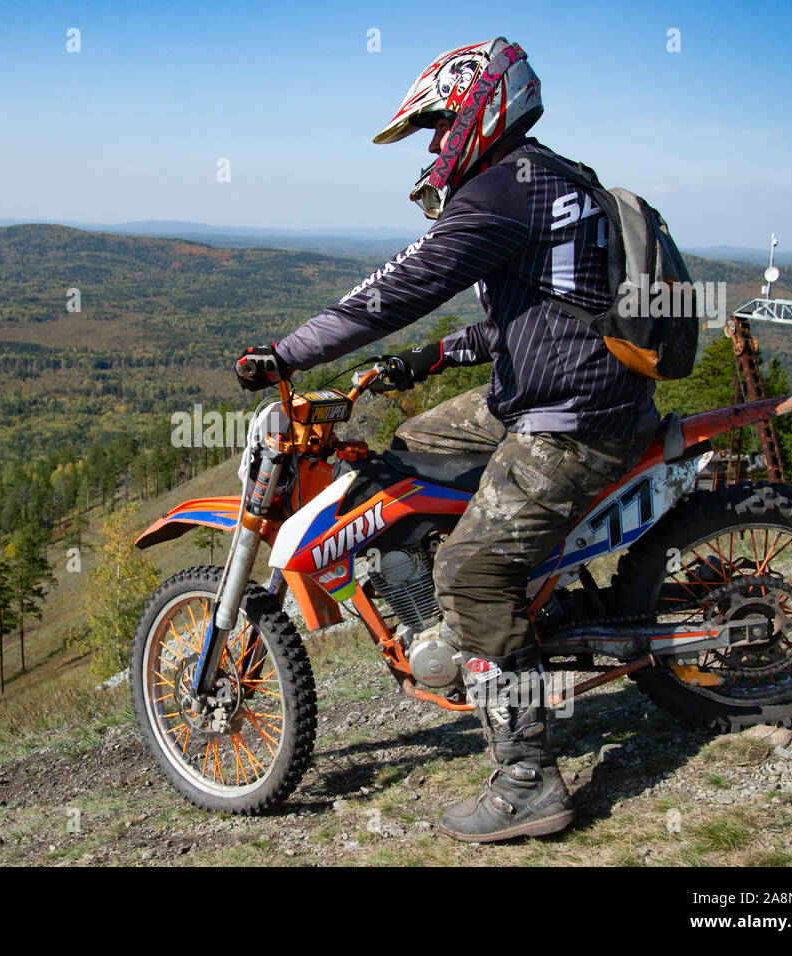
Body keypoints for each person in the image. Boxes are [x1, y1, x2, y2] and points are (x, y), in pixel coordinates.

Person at [235, 38, 659, 843]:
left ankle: (528, 776)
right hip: (543, 393)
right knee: (415, 442)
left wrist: (287, 352)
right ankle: (453, 594)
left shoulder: (502, 190)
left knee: (470, 569)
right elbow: (534, 311)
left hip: (570, 419)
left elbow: (395, 290)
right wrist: (431, 356)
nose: (434, 143)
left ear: (479, 105)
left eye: (438, 123)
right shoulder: (546, 175)